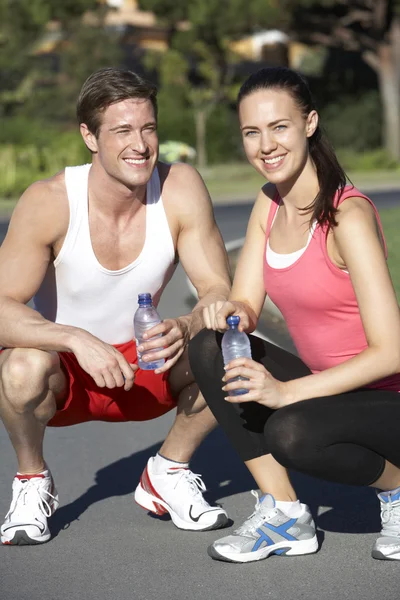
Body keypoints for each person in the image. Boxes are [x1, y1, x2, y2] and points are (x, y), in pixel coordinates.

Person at [0, 67, 232, 546]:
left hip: (148, 367)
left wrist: (187, 325)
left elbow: (216, 289)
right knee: (20, 367)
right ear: (89, 136)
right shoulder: (49, 201)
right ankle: (31, 480)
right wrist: (72, 337)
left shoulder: (180, 187)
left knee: (228, 345)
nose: (140, 144)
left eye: (148, 128)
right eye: (122, 131)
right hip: (67, 377)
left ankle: (167, 471)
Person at [189, 66, 400, 563]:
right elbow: (247, 305)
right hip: (331, 392)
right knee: (208, 344)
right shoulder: (269, 203)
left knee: (292, 431)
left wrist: (285, 393)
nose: (266, 145)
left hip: (388, 402)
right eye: (251, 132)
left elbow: (391, 351)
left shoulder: (348, 217)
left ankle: (397, 492)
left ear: (309, 123)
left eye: (278, 127)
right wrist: (228, 311)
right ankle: (285, 513)